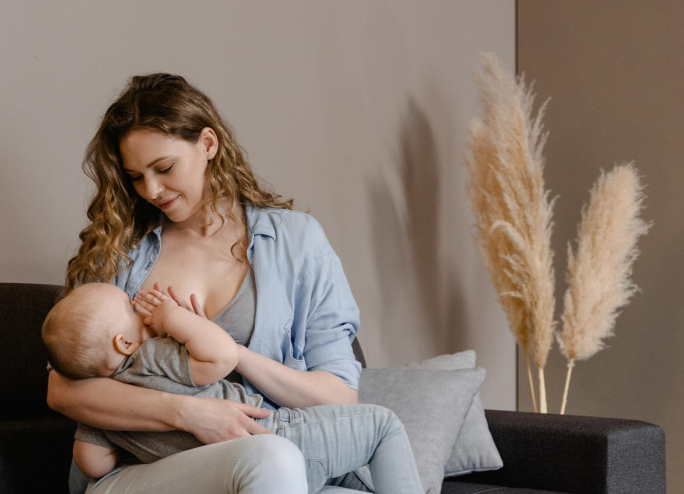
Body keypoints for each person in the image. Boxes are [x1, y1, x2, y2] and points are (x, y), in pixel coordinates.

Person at [46, 73, 369, 493]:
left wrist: (232, 353)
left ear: (208, 144)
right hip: (142, 470)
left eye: (164, 168)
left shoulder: (297, 241)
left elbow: (339, 397)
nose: (152, 190)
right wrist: (189, 414)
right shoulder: (120, 249)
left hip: (266, 459)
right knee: (273, 458)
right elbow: (63, 391)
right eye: (136, 177)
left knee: (285, 464)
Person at [43, 282, 422, 494]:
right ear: (123, 344)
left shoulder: (102, 408)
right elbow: (222, 356)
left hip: (244, 471)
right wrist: (173, 318)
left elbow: (93, 463)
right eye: (130, 304)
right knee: (382, 425)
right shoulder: (151, 356)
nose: (139, 303)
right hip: (275, 431)